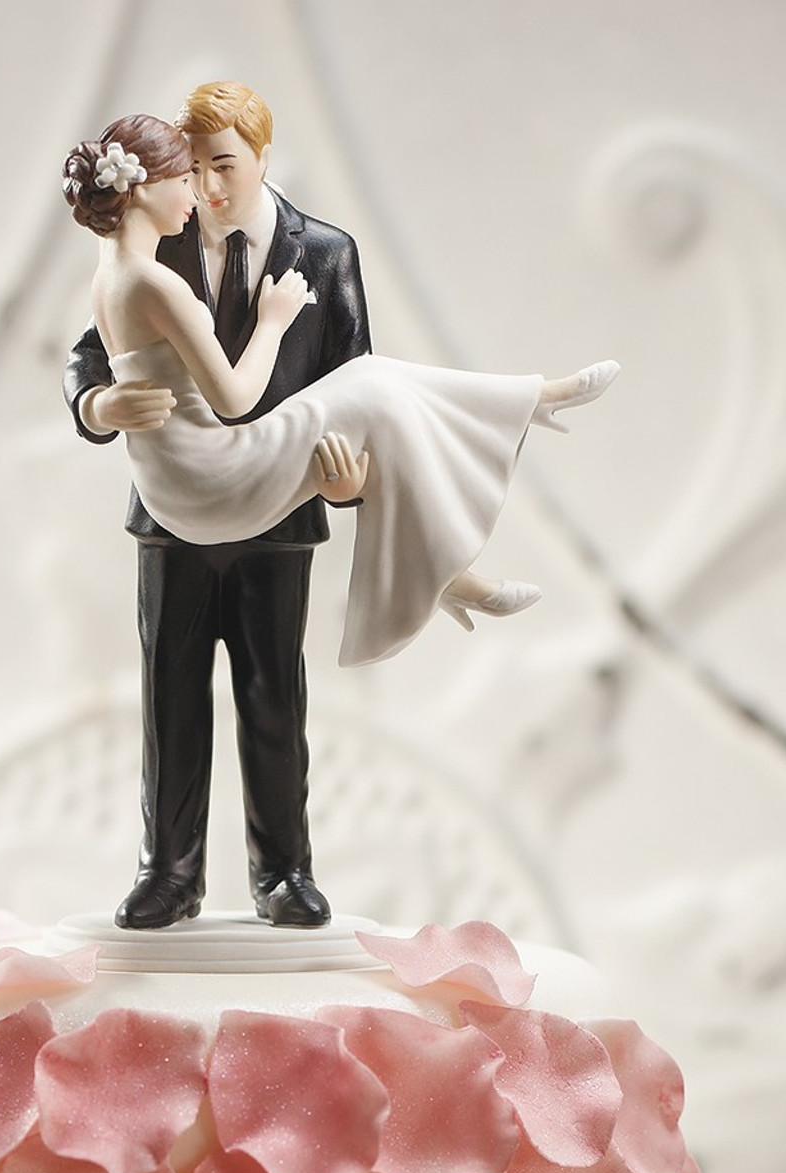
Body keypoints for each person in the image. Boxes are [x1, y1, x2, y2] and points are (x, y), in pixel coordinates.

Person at [62, 93, 616, 933]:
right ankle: (167, 873)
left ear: (263, 154)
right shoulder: (154, 242)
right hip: (179, 511)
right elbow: (88, 356)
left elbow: (353, 377)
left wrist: (351, 485)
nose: (205, 186)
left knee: (273, 696)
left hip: (281, 510)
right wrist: (99, 406)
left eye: (224, 164)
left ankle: (283, 871)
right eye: (193, 166)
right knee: (170, 699)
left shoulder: (324, 252)